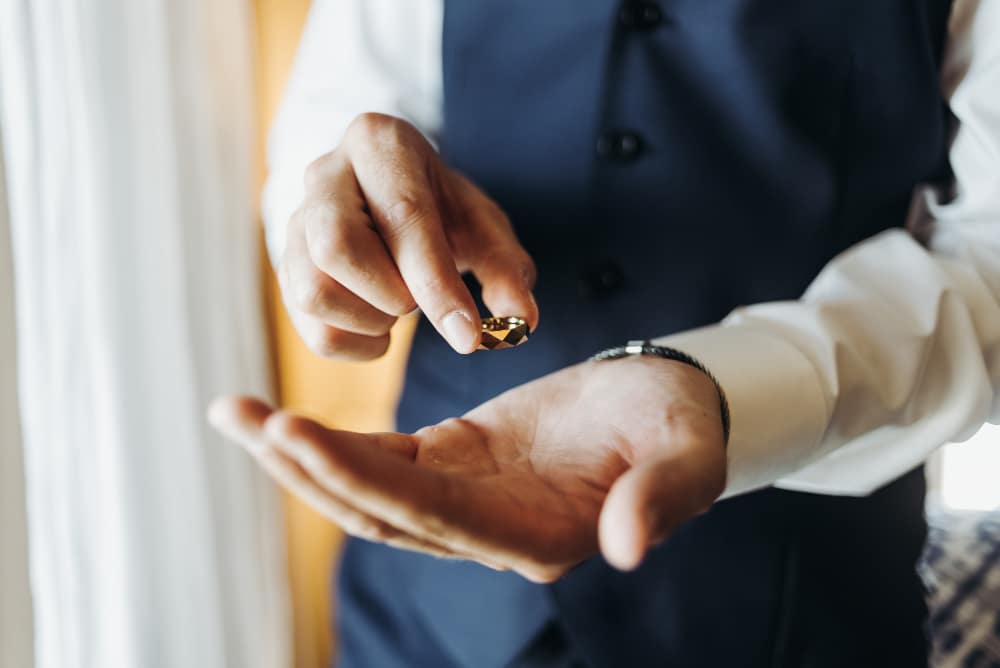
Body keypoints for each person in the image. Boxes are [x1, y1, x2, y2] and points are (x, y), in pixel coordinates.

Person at [209, 1, 1000, 665]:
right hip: (427, 607)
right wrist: (341, 240)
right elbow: (334, 125)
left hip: (793, 605)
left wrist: (731, 388)